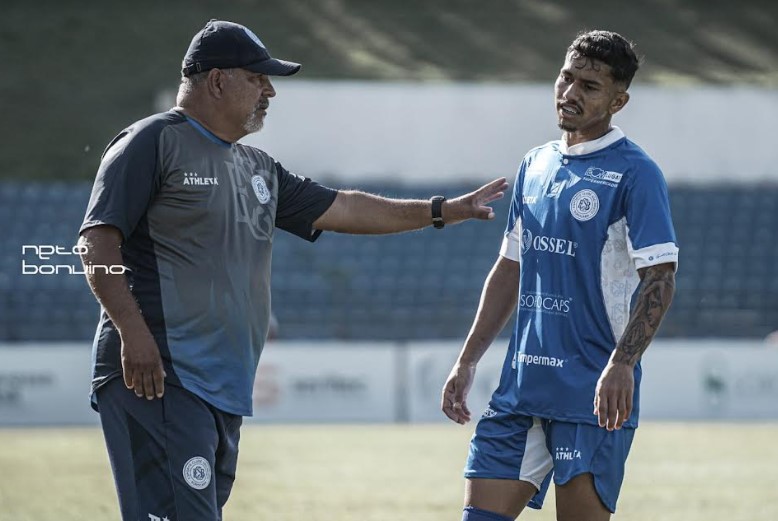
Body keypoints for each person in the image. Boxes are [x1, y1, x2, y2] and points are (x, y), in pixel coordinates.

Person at [78, 19, 508, 521]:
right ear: (217, 80)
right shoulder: (152, 141)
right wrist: (133, 333)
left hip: (219, 386)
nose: (271, 91)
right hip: (160, 376)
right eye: (258, 78)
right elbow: (95, 241)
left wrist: (442, 210)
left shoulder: (257, 167)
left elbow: (345, 208)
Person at [441, 30, 678, 521]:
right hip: (520, 389)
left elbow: (660, 279)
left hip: (591, 396)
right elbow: (510, 268)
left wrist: (622, 365)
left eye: (589, 86)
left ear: (619, 100)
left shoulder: (637, 173)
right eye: (566, 77)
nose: (570, 93)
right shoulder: (536, 163)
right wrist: (467, 361)